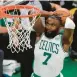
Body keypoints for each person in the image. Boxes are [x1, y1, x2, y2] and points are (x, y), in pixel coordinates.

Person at [31, 8, 75, 77]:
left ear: (60, 27)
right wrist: (51, 13)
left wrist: (68, 19)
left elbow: (70, 25)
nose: (49, 27)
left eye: (53, 25)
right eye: (47, 23)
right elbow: (32, 13)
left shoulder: (64, 41)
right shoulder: (40, 34)